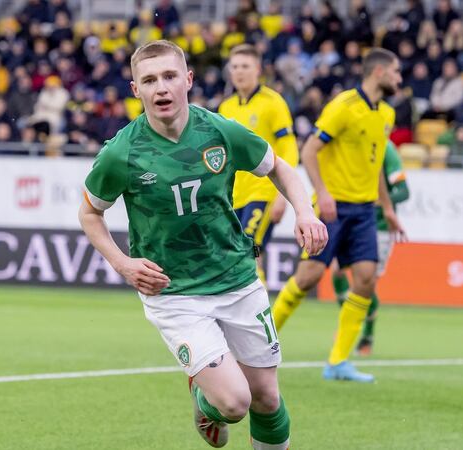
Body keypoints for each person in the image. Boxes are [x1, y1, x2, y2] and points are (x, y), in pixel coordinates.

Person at [78, 40, 327, 449]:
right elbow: (90, 213)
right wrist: (123, 264)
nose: (161, 88)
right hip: (174, 292)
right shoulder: (121, 152)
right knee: (234, 401)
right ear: (134, 89)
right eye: (150, 80)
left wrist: (304, 211)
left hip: (237, 278)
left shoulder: (219, 129)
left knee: (266, 398)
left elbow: (278, 167)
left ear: (188, 80)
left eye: (170, 76)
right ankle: (204, 399)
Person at [271, 48, 406, 382]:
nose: (399, 79)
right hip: (333, 208)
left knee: (365, 279)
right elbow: (310, 150)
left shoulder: (386, 114)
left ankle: (337, 362)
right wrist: (324, 193)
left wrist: (387, 208)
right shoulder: (344, 107)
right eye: (396, 72)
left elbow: (375, 168)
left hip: (364, 211)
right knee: (308, 278)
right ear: (378, 72)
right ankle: (260, 343)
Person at [218, 44, 299, 284]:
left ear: (258, 70)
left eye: (245, 66)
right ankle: (253, 314)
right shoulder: (226, 107)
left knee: (249, 248)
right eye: (234, 67)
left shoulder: (273, 102)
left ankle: (259, 316)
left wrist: (282, 195)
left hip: (263, 192)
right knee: (244, 255)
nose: (239, 72)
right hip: (235, 195)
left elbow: (289, 148)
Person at [331, 140, 410, 356]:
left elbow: (403, 192)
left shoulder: (387, 150)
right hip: (353, 222)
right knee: (336, 271)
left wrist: (375, 201)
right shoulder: (352, 145)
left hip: (379, 227)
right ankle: (348, 323)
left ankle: (367, 335)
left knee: (365, 284)